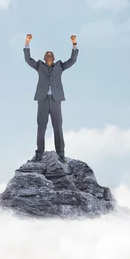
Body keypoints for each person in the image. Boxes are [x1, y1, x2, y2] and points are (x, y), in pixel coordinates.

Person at [23, 34, 79, 163]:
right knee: (41, 127)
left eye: (50, 56)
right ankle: (39, 154)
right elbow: (27, 59)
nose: (49, 57)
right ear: (44, 58)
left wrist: (74, 44)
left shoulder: (60, 66)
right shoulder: (39, 66)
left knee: (58, 127)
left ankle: (61, 154)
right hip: (42, 100)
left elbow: (72, 60)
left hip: (55, 100)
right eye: (47, 56)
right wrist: (27, 42)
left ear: (53, 58)